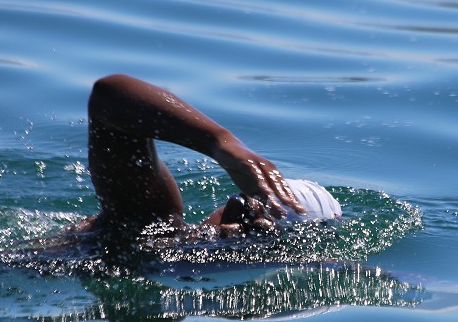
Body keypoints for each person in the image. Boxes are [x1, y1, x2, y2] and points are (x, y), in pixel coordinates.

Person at [77, 73, 340, 240]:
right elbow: (107, 96)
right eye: (242, 201)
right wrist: (221, 143)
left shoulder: (157, 237)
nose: (235, 210)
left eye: (252, 220)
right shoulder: (151, 224)